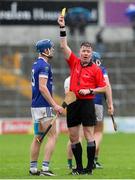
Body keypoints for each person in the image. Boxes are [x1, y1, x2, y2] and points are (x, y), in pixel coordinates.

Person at [58, 14, 107, 175]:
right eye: (83, 51)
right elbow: (64, 46)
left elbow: (103, 88)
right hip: (72, 102)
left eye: (88, 51)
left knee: (88, 135)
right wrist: (62, 28)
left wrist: (91, 90)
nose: (85, 53)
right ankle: (78, 168)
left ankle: (89, 168)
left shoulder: (96, 69)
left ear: (91, 53)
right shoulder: (74, 62)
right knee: (73, 137)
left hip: (87, 103)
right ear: (79, 52)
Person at [30, 39, 63, 176]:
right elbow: (43, 87)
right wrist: (54, 105)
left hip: (35, 106)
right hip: (44, 106)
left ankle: (33, 168)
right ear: (45, 50)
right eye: (51, 48)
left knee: (38, 137)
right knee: (53, 136)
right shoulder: (44, 66)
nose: (52, 50)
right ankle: (45, 168)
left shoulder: (35, 64)